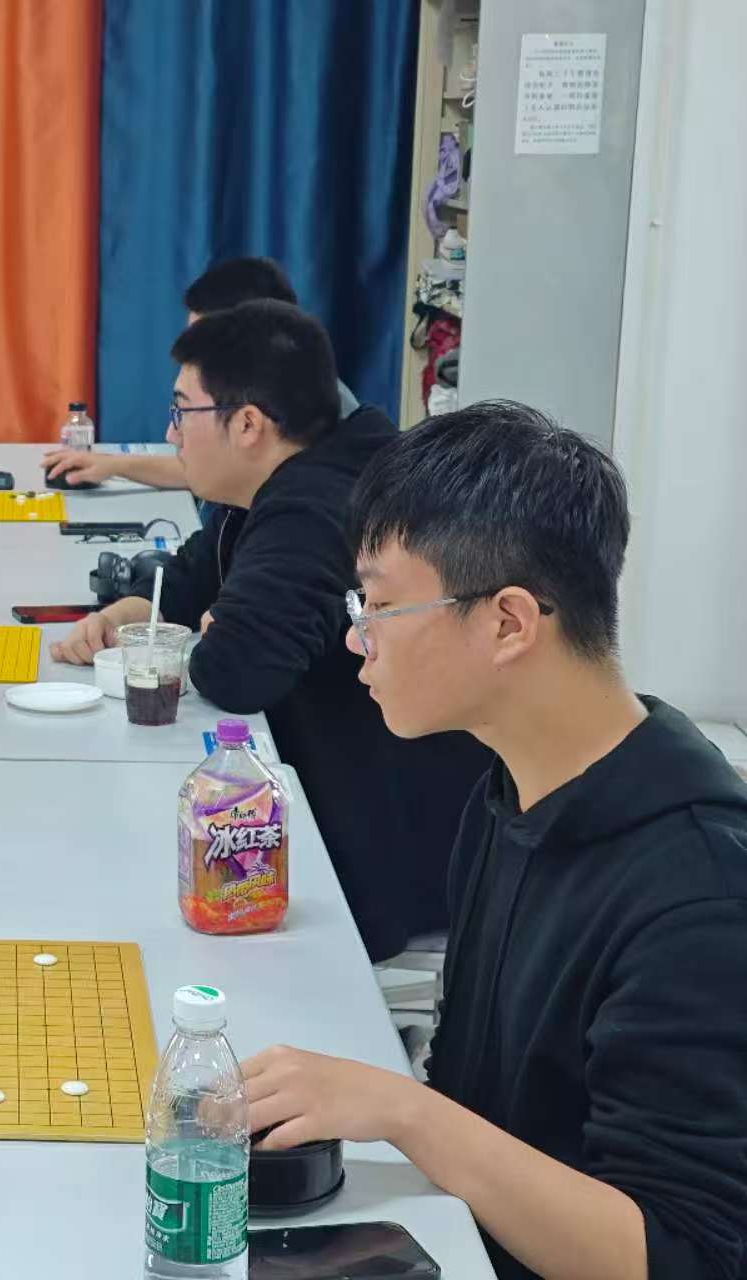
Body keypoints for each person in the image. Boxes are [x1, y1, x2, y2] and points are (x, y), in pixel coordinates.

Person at [244, 403, 747, 1280]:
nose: (356, 638)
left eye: (381, 605)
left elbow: (679, 1254)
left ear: (509, 622)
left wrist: (403, 1111)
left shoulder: (699, 894)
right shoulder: (509, 791)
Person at [52, 301, 490, 961]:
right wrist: (127, 613)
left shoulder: (317, 505)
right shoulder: (296, 473)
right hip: (365, 793)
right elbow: (194, 578)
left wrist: (212, 630)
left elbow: (235, 670)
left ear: (248, 424)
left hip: (386, 844)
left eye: (181, 411)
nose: (171, 433)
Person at [43, 256, 358, 495]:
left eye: (205, 344)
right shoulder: (286, 382)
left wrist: (115, 466)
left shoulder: (310, 413)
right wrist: (114, 465)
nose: (194, 358)